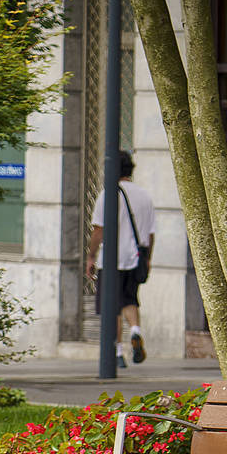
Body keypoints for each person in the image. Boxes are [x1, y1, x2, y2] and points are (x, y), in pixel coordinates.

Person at [86, 151, 155, 369]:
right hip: (135, 258)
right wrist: (148, 259)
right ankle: (135, 330)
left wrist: (91, 256)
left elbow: (99, 230)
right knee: (130, 300)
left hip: (112, 259)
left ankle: (116, 352)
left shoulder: (108, 195)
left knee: (111, 306)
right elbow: (151, 234)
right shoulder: (144, 196)